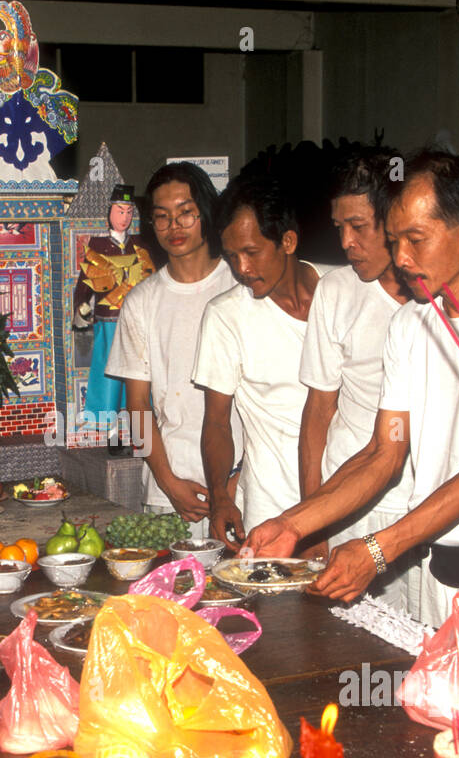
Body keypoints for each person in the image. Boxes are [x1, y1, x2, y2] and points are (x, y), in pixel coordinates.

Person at [246, 151, 459, 684]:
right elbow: (385, 452)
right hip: (438, 565)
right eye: (395, 238)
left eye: (416, 239)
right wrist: (293, 523)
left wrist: (378, 551)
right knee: (437, 729)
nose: (400, 256)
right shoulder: (411, 324)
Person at [296, 151, 419, 612]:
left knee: (415, 643)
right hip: (348, 500)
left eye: (359, 226)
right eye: (338, 228)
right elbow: (318, 411)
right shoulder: (337, 291)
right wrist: (313, 519)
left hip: (420, 504)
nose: (346, 242)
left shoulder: (436, 299)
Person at [192, 174, 335, 546]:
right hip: (272, 509)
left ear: (288, 240)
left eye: (252, 252)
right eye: (231, 256)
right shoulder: (226, 315)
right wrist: (221, 496)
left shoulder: (344, 291)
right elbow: (217, 422)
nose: (241, 269)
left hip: (350, 501)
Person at [105, 162, 242, 536]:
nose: (174, 227)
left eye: (186, 213)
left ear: (206, 214)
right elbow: (136, 406)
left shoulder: (241, 285)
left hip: (244, 488)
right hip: (174, 492)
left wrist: (237, 482)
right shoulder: (142, 302)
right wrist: (168, 482)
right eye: (162, 217)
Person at [74, 184, 155, 434]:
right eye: (120, 211)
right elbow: (84, 284)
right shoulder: (97, 246)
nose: (125, 217)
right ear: (109, 213)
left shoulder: (141, 244)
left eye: (129, 212)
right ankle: (105, 421)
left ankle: (141, 420)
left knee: (139, 369)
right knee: (107, 367)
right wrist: (82, 307)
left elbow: (153, 281)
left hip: (138, 320)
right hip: (109, 317)